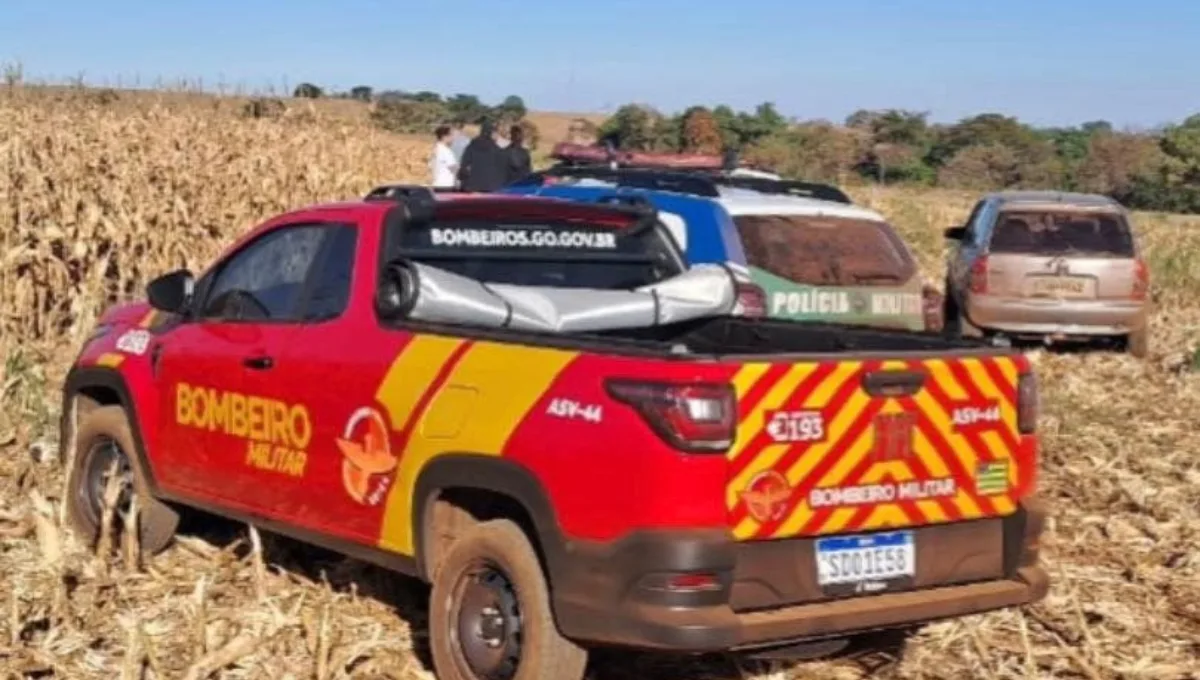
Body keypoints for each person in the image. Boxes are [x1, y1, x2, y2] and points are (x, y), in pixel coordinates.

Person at [456, 120, 509, 192]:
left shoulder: (471, 146)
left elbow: (463, 166)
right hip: (492, 187)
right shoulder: (497, 150)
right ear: (491, 133)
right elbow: (503, 169)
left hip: (473, 186)